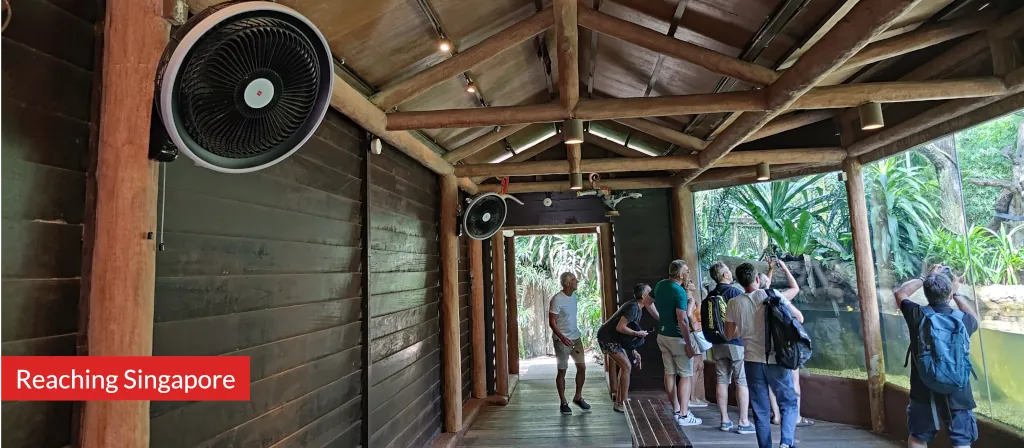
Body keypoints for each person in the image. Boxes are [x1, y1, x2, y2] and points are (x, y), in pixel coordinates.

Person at [894, 265, 979, 448]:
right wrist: (956, 294)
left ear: (926, 294)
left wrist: (926, 277)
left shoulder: (917, 314)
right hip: (958, 389)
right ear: (949, 295)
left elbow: (900, 293)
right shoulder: (963, 320)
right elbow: (975, 318)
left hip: (923, 386)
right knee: (962, 440)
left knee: (918, 437)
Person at [726, 262, 802, 448]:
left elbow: (730, 335)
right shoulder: (771, 295)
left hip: (751, 361)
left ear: (739, 282)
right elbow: (799, 318)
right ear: (758, 279)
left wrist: (744, 329)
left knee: (760, 410)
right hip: (775, 360)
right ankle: (785, 442)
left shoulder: (733, 303)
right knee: (789, 403)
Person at [707, 262, 755, 434]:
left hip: (717, 343)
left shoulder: (711, 294)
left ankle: (725, 420)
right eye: (728, 270)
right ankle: (743, 422)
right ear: (725, 275)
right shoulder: (735, 292)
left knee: (722, 380)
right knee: (741, 380)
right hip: (735, 343)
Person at [654, 260, 702, 426]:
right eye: (687, 271)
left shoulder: (660, 285)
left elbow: (647, 302)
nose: (689, 273)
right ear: (681, 274)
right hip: (677, 337)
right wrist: (688, 344)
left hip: (662, 335)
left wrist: (660, 319)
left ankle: (676, 409)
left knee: (669, 372)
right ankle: (684, 414)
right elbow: (682, 319)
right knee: (686, 375)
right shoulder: (679, 291)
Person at [598, 283, 658, 412]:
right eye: (650, 292)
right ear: (643, 296)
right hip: (608, 338)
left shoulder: (637, 307)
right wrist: (638, 334)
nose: (653, 294)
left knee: (625, 367)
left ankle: (620, 401)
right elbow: (620, 328)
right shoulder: (633, 308)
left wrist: (633, 350)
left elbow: (626, 332)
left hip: (614, 338)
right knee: (626, 367)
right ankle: (622, 403)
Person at [763, 274, 813, 428]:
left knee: (771, 383)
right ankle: (796, 416)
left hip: (765, 350)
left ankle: (777, 415)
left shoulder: (753, 299)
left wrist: (770, 270)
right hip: (784, 347)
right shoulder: (777, 297)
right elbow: (799, 317)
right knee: (794, 381)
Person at [549, 271, 590, 415]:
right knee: (562, 371)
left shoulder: (574, 297)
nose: (576, 281)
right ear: (567, 283)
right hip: (561, 341)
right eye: (574, 279)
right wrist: (562, 337)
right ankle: (563, 402)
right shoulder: (557, 299)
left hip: (575, 338)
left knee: (582, 367)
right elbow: (552, 321)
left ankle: (578, 397)